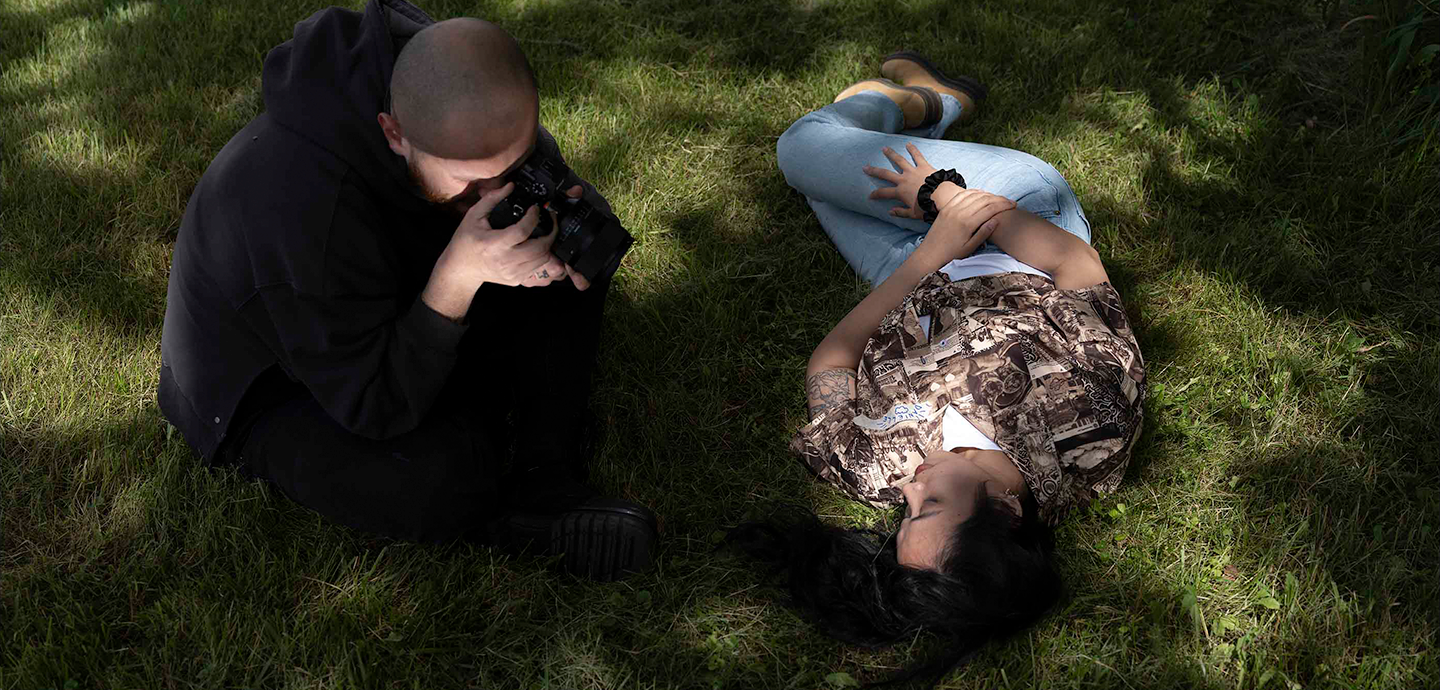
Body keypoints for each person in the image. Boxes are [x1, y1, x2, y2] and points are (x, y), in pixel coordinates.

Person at [157, 0, 657, 581]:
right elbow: (371, 404)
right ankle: (503, 508)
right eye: (471, 182)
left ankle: (548, 477)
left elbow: (557, 201)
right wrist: (456, 278)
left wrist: (561, 221)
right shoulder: (304, 209)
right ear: (394, 133)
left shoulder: (469, 100)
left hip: (388, 294)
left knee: (566, 261)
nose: (496, 193)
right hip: (270, 385)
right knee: (440, 475)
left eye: (515, 165)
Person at [731, 53, 1147, 683]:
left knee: (812, 169)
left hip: (908, 267)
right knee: (802, 148)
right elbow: (1076, 267)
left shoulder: (871, 472)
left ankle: (920, 108)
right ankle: (930, 106)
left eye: (904, 512)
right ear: (1006, 513)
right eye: (927, 506)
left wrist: (927, 255)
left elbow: (833, 359)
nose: (905, 490)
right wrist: (941, 196)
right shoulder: (1091, 429)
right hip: (1010, 225)